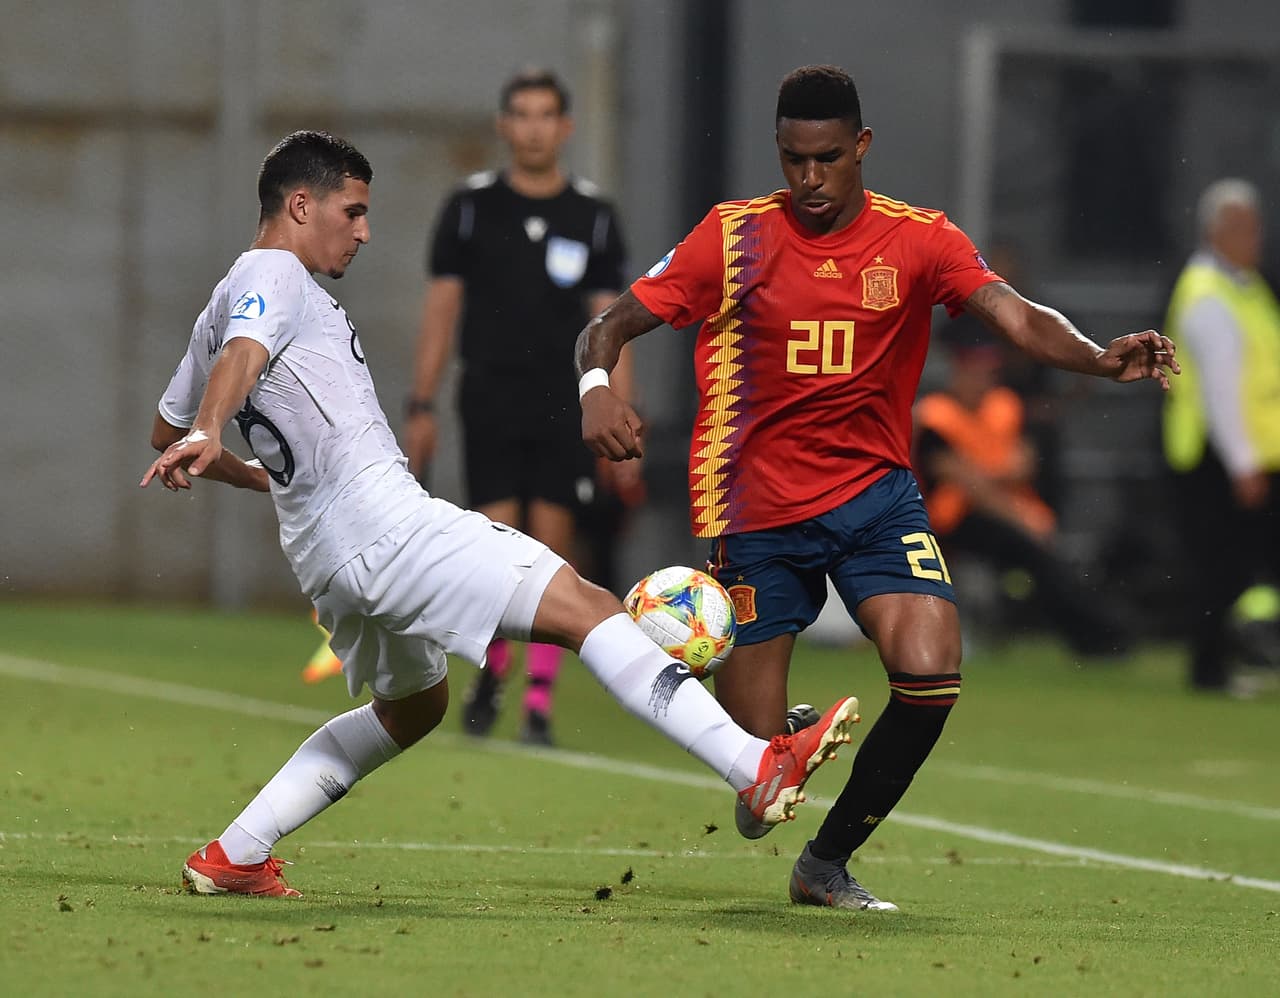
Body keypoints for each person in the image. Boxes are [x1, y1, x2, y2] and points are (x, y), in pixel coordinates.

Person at [139, 130, 859, 898]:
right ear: (299, 204)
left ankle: (236, 853)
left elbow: (163, 431)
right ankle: (755, 766)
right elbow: (241, 360)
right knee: (589, 609)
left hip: (326, 555)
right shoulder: (274, 272)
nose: (365, 231)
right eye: (352, 212)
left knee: (413, 708)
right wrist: (212, 427)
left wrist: (251, 468)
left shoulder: (220, 303)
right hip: (387, 527)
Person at [576, 65, 1178, 912]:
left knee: (931, 674)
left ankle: (825, 864)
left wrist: (1096, 356)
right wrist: (596, 390)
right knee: (758, 789)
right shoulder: (733, 237)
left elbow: (1014, 314)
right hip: (756, 511)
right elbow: (608, 325)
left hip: (875, 499)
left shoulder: (919, 239)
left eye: (827, 158)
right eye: (793, 159)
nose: (809, 178)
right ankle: (768, 743)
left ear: (860, 146)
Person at [402, 68, 640, 746]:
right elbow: (441, 310)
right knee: (496, 538)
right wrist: (421, 403)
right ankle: (493, 670)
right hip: (491, 393)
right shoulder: (471, 207)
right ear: (504, 125)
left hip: (569, 400)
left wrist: (623, 411)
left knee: (553, 544)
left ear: (565, 127)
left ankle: (538, 701)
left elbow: (614, 322)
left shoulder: (593, 214)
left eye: (545, 115)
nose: (534, 128)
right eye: (522, 115)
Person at [914, 333, 1132, 656]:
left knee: (1044, 559)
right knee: (1033, 554)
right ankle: (1097, 634)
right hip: (956, 518)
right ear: (958, 371)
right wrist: (1018, 513)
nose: (983, 379)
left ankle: (1100, 631)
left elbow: (1023, 464)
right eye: (975, 371)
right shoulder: (936, 415)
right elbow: (967, 482)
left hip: (1006, 510)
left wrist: (982, 475)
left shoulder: (1004, 405)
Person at [1162, 178, 1280, 694]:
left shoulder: (1244, 286)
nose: (1257, 238)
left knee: (1234, 565)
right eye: (1245, 228)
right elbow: (1220, 391)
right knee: (1221, 566)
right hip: (1222, 455)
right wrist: (1243, 463)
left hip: (1253, 451)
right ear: (1217, 232)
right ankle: (1209, 668)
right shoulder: (1209, 294)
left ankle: (1220, 662)